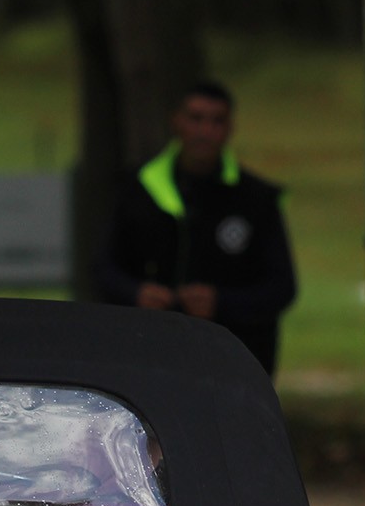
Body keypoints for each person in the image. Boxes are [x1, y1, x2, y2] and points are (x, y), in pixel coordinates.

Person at [95, 81, 297, 374]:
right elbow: (103, 267)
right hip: (146, 358)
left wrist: (221, 303)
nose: (204, 131)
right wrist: (136, 293)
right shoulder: (137, 189)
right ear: (176, 121)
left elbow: (282, 288)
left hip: (232, 363)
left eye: (216, 121)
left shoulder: (256, 200)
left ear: (230, 128)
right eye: (196, 118)